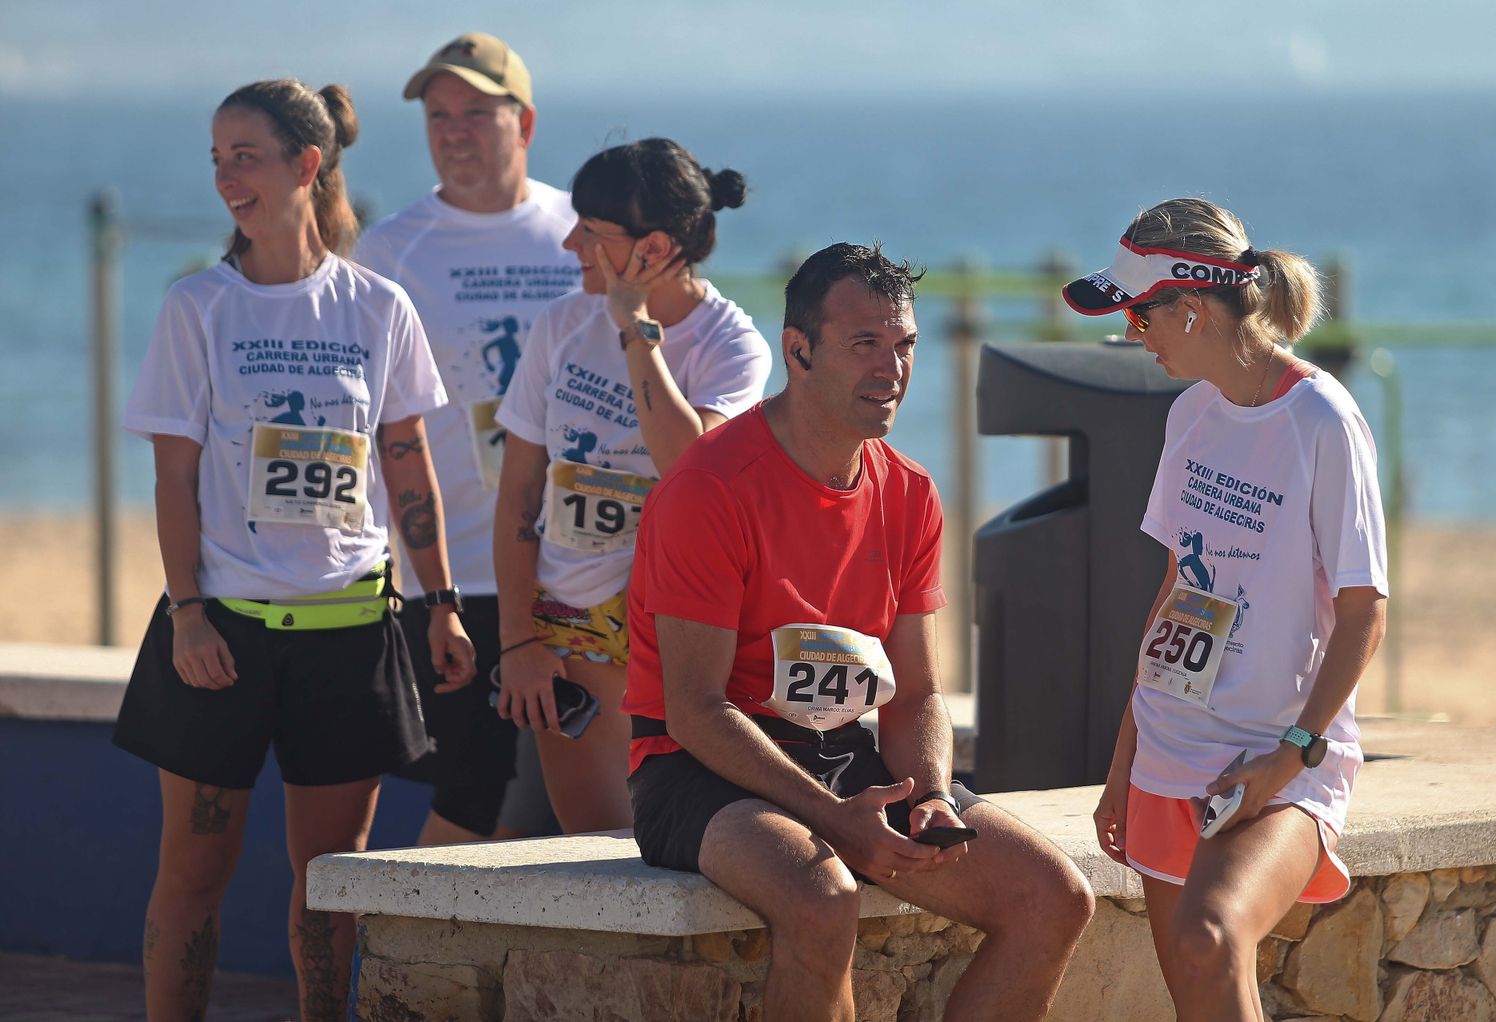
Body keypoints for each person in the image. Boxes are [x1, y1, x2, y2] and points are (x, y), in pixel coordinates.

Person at [623, 243, 1094, 1022]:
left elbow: (916, 695)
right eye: (864, 345)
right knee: (821, 897)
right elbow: (694, 709)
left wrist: (935, 795)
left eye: (904, 345)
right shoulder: (707, 488)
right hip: (698, 768)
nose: (893, 370)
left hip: (845, 755)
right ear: (798, 350)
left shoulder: (909, 491)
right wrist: (836, 819)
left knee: (1054, 898)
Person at [114, 79, 474, 1021]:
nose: (228, 177)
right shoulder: (198, 307)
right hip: (220, 640)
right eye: (217, 158)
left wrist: (442, 603)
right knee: (194, 872)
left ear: (306, 166)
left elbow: (408, 466)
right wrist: (188, 612)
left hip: (351, 636)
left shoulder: (378, 306)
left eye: (248, 156)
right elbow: (172, 482)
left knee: (329, 886)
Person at [1069, 198, 1388, 1021]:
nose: (1135, 335)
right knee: (1201, 998)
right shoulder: (1190, 414)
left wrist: (1292, 755)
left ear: (1192, 307)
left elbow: (1365, 610)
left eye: (1141, 315)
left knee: (1212, 936)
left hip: (1279, 761)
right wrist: (1122, 767)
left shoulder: (1323, 419)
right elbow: (1177, 596)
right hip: (1168, 752)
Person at [494, 138, 771, 832]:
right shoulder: (559, 325)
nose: (569, 243)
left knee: (676, 843)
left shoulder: (733, 345)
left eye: (591, 231)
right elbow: (519, 495)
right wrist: (518, 642)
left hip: (679, 627)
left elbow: (692, 468)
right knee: (598, 851)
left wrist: (635, 332)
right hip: (571, 624)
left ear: (650, 248)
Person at [354, 32, 579, 846]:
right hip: (457, 570)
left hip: (585, 564)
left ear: (525, 122)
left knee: (585, 786)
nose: (453, 131)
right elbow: (368, 420)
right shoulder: (392, 249)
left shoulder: (578, 232)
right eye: (437, 114)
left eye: (476, 113)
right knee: (475, 782)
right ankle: (420, 970)